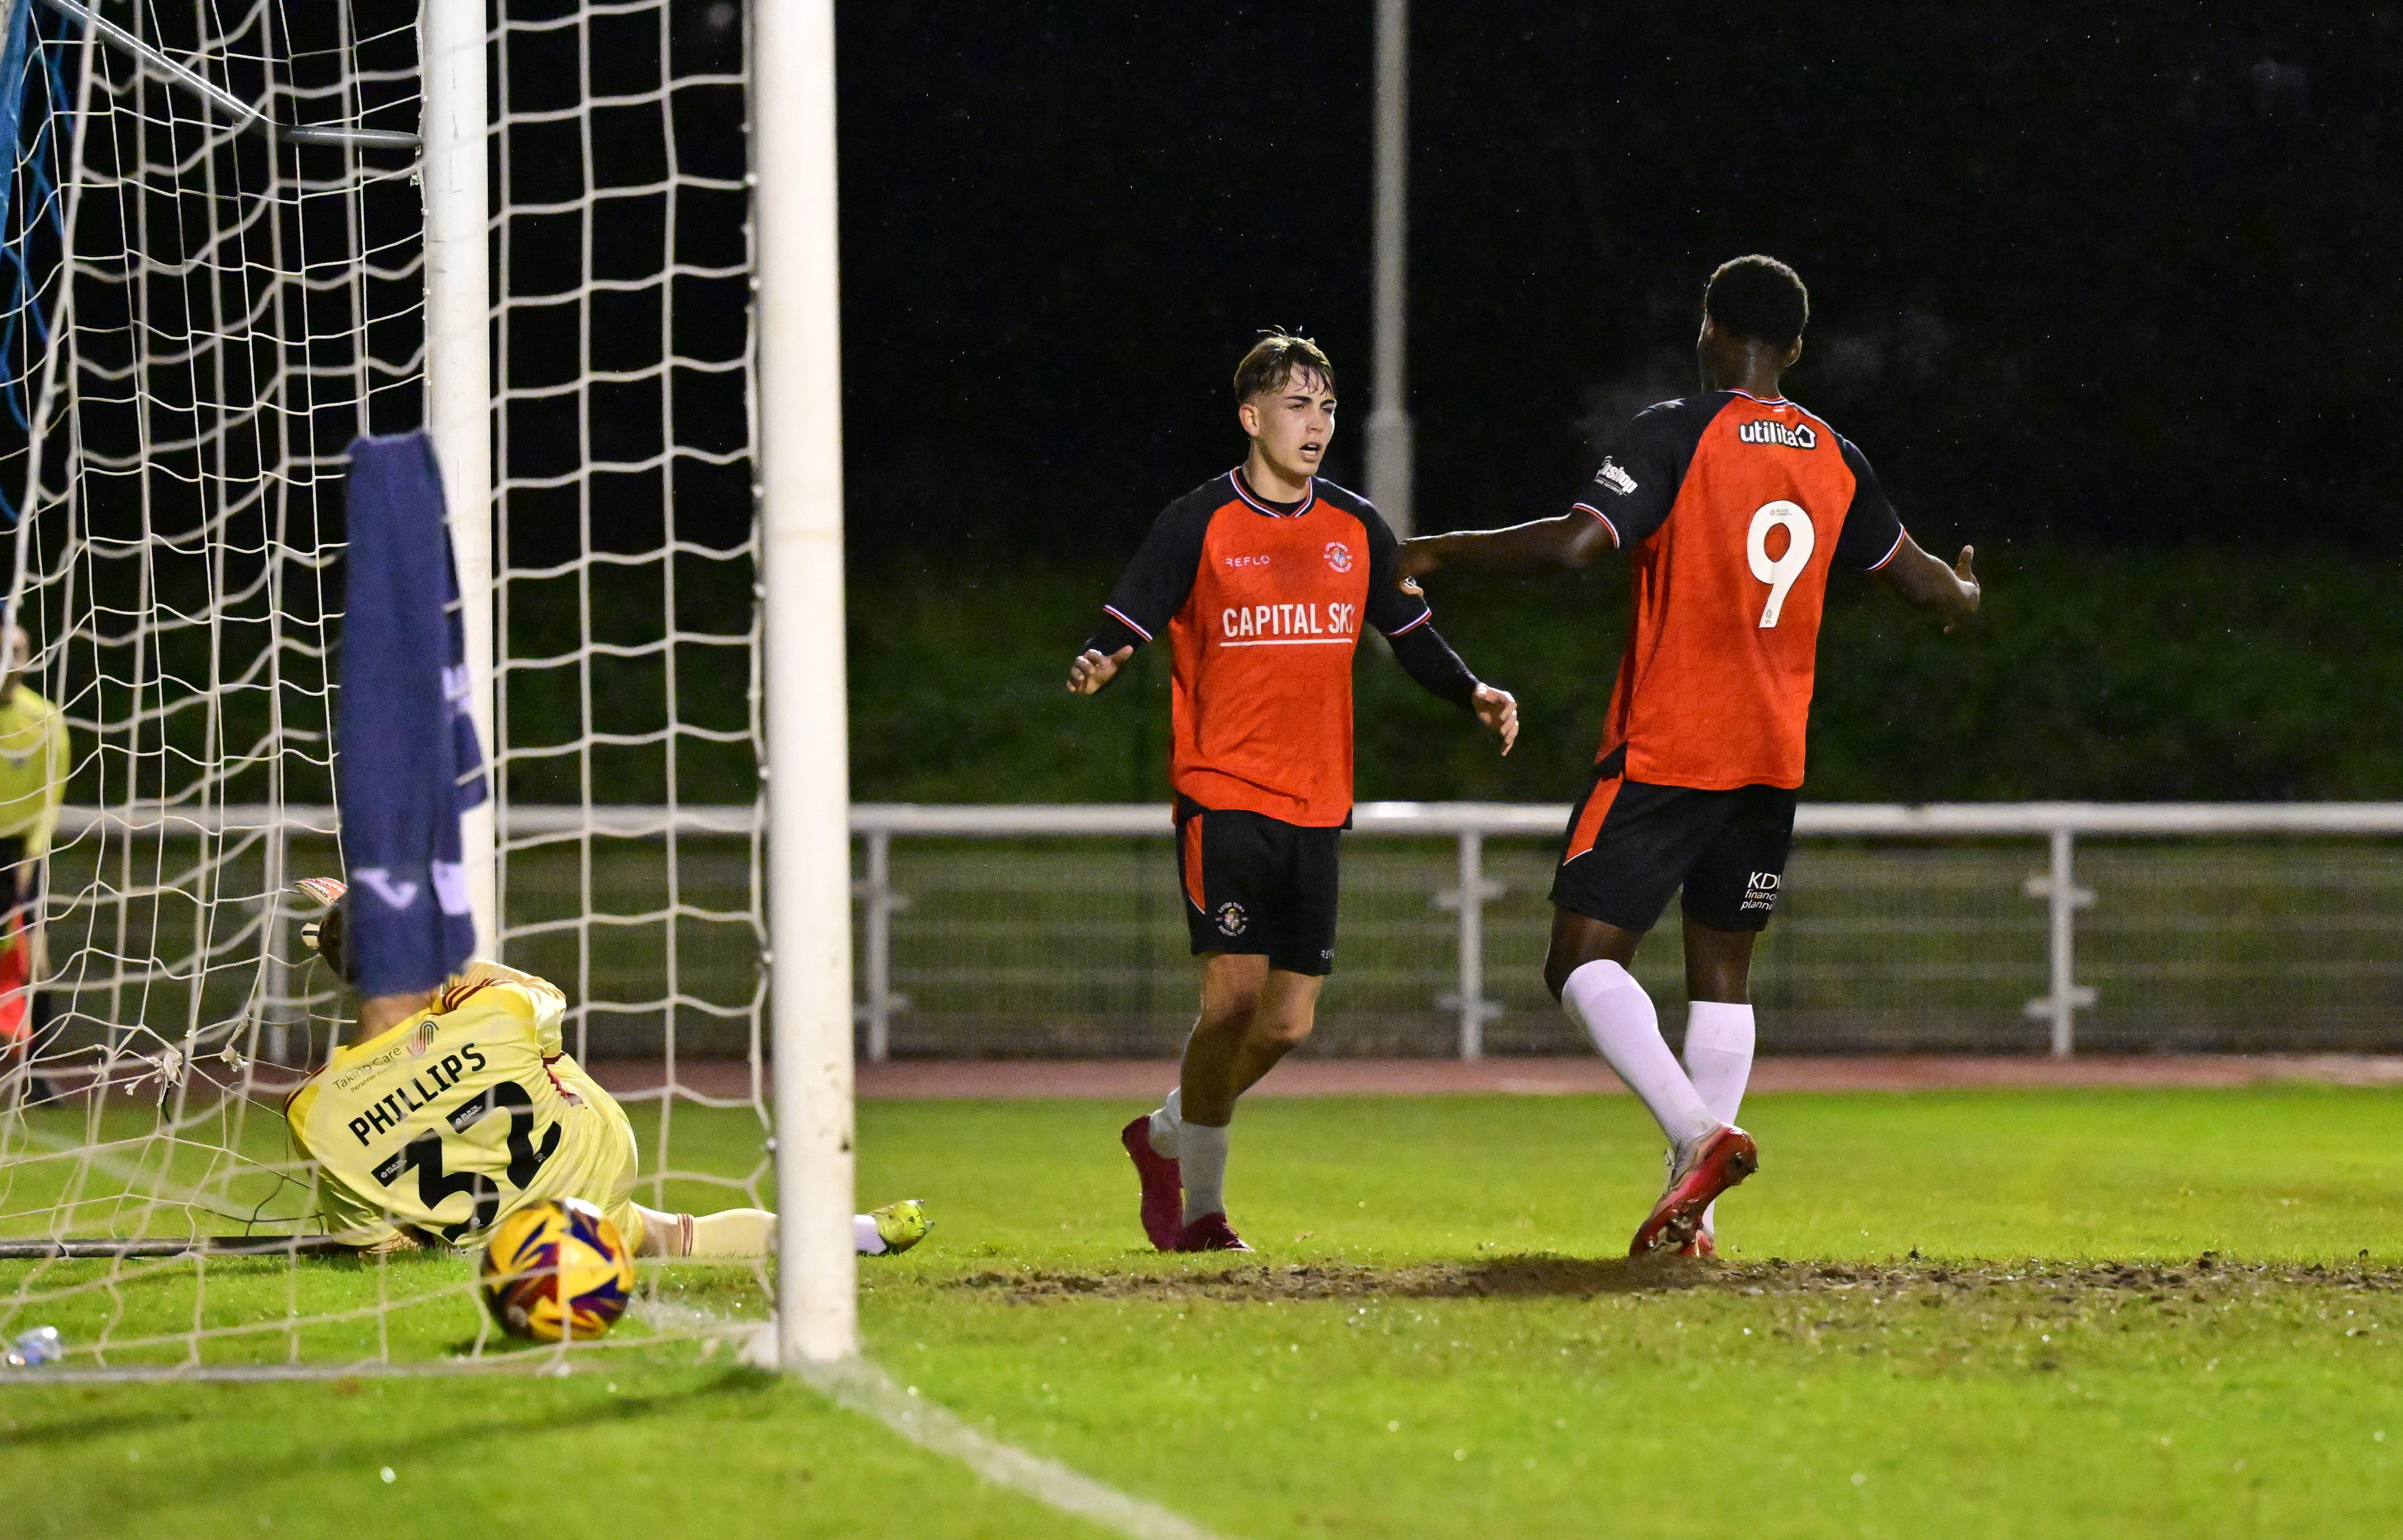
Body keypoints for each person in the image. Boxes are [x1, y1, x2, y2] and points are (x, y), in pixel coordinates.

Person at [1397, 257, 1979, 1257]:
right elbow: (1927, 590)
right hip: (1771, 757)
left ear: (1710, 330)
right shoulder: (1835, 454)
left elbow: (1578, 546)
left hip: (1672, 745)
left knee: (1579, 961)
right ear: (1794, 347)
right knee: (1722, 974)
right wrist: (1969, 597)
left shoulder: (1679, 428)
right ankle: (1693, 1215)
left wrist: (1442, 549)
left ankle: (1699, 1136)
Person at [1068, 330, 1519, 1253]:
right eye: (1296, 404)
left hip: (1318, 802)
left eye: (1326, 406)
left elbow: (1411, 632)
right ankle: (1202, 1213)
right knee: (1230, 1006)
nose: (1315, 423)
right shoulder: (1197, 521)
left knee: (1286, 1022)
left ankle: (1161, 1135)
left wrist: (1472, 689)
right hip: (1222, 793)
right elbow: (1130, 616)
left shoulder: (1357, 527)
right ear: (1252, 417)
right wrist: (1100, 657)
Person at [282, 879, 929, 1260]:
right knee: (663, 1230)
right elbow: (506, 991)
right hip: (590, 1174)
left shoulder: (313, 1112)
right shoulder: (496, 1007)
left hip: (492, 1235)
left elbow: (373, 1244)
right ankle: (853, 1237)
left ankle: (849, 1235)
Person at [0, 626, 68, 1104]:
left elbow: (51, 797)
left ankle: (38, 1073)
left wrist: (32, 855)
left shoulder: (44, 719)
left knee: (37, 962)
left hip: (21, 850)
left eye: (16, 650)